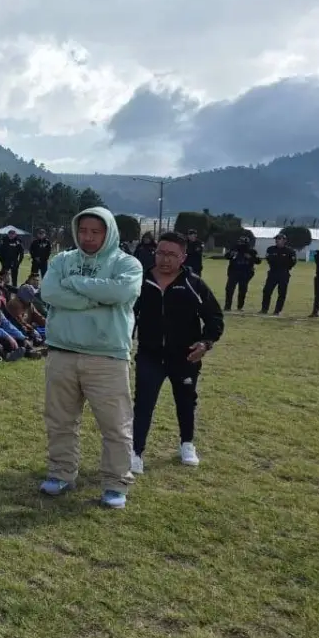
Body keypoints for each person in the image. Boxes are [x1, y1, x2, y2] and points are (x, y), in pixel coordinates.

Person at [39, 207, 143, 509]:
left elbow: (122, 292)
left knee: (115, 425)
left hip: (107, 357)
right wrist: (98, 298)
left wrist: (75, 285)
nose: (88, 237)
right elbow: (49, 292)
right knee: (60, 420)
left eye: (96, 232)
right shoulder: (63, 260)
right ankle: (61, 472)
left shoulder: (127, 263)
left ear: (108, 232)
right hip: (62, 353)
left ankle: (115, 483)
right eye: (83, 231)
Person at [131, 232, 224, 474]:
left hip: (184, 356)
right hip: (150, 354)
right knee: (143, 403)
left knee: (185, 401)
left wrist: (205, 343)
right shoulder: (140, 282)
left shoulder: (194, 284)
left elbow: (214, 317)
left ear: (183, 257)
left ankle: (187, 444)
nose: (165, 259)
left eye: (172, 255)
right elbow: (127, 315)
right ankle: (136, 452)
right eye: (161, 252)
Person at [260, 234, 297, 316]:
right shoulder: (270, 249)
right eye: (276, 239)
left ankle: (277, 310)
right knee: (267, 291)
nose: (277, 240)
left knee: (282, 293)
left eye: (279, 239)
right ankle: (264, 309)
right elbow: (268, 259)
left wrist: (285, 266)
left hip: (284, 273)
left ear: (284, 240)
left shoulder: (290, 251)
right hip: (273, 272)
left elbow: (293, 262)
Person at [222, 235, 260, 312]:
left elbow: (258, 261)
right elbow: (226, 256)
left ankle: (240, 306)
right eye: (240, 242)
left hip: (245, 273)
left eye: (242, 242)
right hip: (234, 272)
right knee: (229, 289)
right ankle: (227, 306)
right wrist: (231, 254)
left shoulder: (252, 251)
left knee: (242, 290)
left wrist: (250, 257)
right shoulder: (234, 249)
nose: (240, 244)